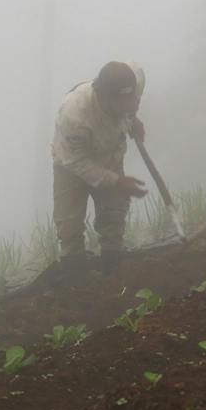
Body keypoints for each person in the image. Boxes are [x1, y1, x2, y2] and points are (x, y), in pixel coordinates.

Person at [50, 60, 149, 281]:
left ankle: (113, 274)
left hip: (109, 154)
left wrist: (134, 120)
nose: (129, 105)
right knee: (69, 226)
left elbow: (129, 106)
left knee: (114, 214)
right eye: (122, 102)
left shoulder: (133, 80)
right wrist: (116, 181)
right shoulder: (74, 116)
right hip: (71, 163)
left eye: (131, 99)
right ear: (105, 97)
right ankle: (76, 279)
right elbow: (76, 161)